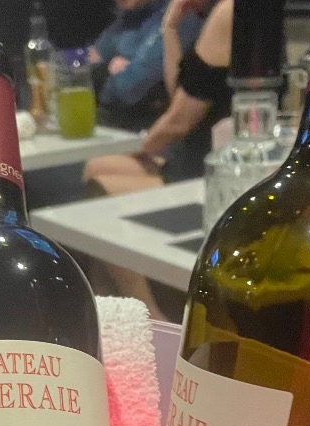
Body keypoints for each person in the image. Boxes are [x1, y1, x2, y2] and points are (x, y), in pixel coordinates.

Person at [83, 0, 233, 316]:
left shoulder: (227, 12)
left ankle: (149, 315)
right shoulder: (202, 16)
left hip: (204, 167)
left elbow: (178, 121)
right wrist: (170, 29)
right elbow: (179, 91)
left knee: (99, 194)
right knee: (96, 166)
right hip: (189, 154)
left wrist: (143, 147)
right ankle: (107, 313)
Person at [89, 0, 202, 132]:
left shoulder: (178, 14)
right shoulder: (132, 14)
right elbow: (84, 61)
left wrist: (101, 73)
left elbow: (130, 86)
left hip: (150, 129)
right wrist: (107, 68)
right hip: (113, 119)